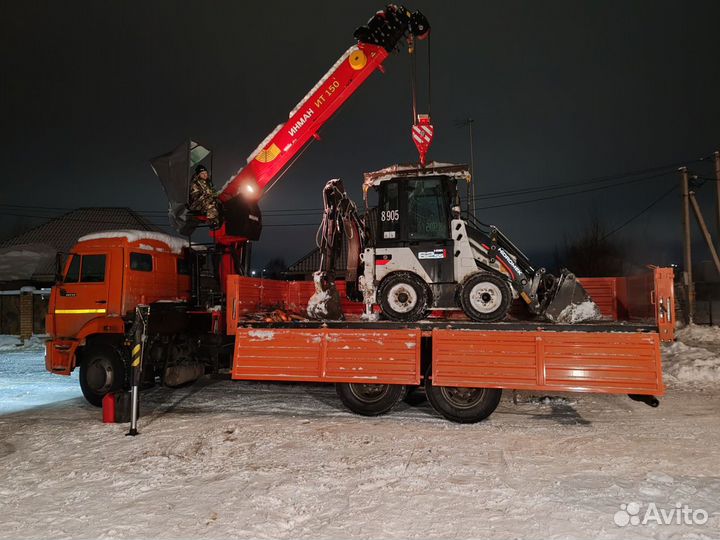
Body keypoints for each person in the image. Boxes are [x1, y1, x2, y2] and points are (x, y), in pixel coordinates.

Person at [189, 164, 222, 229]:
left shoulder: (208, 183)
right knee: (211, 204)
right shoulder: (195, 183)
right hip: (197, 204)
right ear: (199, 175)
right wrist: (207, 196)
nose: (204, 175)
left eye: (205, 173)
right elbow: (195, 196)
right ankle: (212, 221)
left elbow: (213, 192)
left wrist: (215, 195)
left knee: (220, 203)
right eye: (202, 173)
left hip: (207, 200)